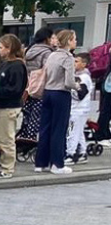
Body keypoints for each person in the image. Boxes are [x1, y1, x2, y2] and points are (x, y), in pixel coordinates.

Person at [0, 34, 27, 179]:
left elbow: (14, 90)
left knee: (5, 138)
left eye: (1, 47)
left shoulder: (17, 66)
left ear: (9, 49)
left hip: (8, 106)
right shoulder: (4, 65)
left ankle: (7, 168)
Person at [36, 29, 79, 174]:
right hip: (61, 94)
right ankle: (57, 164)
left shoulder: (52, 55)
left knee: (45, 128)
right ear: (68, 41)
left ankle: (40, 163)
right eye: (74, 39)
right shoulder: (68, 57)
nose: (76, 42)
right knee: (59, 129)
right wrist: (77, 86)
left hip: (47, 92)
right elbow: (69, 81)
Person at [20, 27, 56, 148]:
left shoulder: (29, 50)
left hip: (29, 87)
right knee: (36, 115)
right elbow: (49, 70)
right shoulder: (47, 53)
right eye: (51, 38)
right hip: (41, 87)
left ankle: (23, 138)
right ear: (46, 39)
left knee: (27, 114)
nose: (53, 40)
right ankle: (31, 140)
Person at [67, 52, 94, 165]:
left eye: (76, 61)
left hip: (78, 109)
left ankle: (71, 154)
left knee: (72, 131)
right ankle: (82, 152)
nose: (74, 63)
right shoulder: (78, 76)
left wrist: (72, 88)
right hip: (77, 109)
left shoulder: (83, 78)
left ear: (84, 64)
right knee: (78, 132)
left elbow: (80, 95)